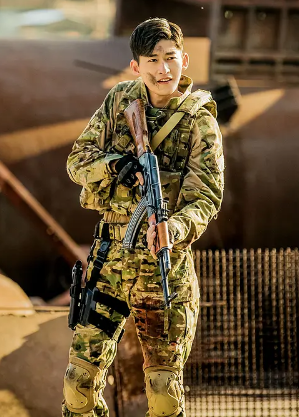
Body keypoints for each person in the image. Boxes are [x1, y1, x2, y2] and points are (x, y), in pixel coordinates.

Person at [62, 17, 224, 417]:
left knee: (164, 390)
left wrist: (176, 226)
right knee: (77, 385)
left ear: (185, 60)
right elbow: (76, 162)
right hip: (110, 259)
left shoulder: (199, 120)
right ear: (137, 66)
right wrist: (114, 165)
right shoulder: (119, 102)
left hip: (162, 266)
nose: (163, 69)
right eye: (152, 60)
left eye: (170, 58)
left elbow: (206, 198)